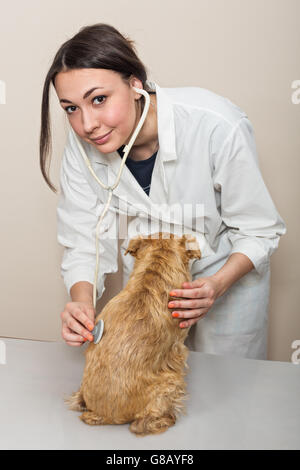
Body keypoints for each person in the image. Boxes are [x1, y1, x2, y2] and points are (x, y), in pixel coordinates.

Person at [40, 23, 286, 359]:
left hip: (224, 273)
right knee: (146, 382)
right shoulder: (83, 144)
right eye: (71, 108)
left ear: (135, 85)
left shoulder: (215, 124)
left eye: (99, 99)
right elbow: (84, 237)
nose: (87, 124)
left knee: (228, 391)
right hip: (148, 276)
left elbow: (260, 228)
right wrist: (81, 303)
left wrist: (217, 284)